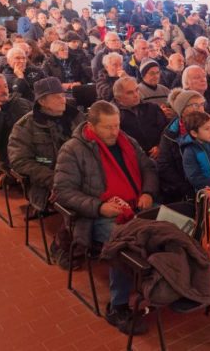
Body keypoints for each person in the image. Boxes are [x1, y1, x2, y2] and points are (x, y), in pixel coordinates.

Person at [53, 101, 157, 335]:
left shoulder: (127, 141)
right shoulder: (73, 150)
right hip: (95, 217)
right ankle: (118, 306)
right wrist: (100, 207)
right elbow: (63, 191)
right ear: (91, 125)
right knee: (124, 245)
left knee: (174, 227)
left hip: (136, 205)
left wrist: (148, 192)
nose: (114, 132)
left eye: (117, 126)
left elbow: (148, 168)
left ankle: (163, 285)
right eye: (108, 127)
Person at [8, 77, 86, 214]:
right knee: (82, 203)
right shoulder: (25, 126)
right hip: (46, 182)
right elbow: (20, 161)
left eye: (63, 95)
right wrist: (55, 181)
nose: (63, 100)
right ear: (42, 101)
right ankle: (69, 232)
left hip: (82, 175)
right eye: (56, 97)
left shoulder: (76, 117)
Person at [157, 89, 210, 202]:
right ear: (182, 110)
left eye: (202, 104)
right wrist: (186, 189)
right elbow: (164, 166)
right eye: (195, 105)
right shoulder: (170, 134)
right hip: (188, 189)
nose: (201, 108)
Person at [113, 77, 168, 159]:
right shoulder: (114, 115)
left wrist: (160, 146)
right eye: (130, 93)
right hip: (133, 158)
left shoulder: (152, 108)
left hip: (161, 154)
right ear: (118, 97)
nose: (136, 95)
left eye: (137, 90)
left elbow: (166, 130)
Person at [178, 111, 210, 191]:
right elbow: (194, 177)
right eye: (207, 129)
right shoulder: (189, 152)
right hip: (207, 191)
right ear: (194, 133)